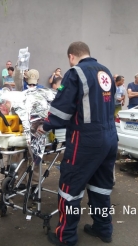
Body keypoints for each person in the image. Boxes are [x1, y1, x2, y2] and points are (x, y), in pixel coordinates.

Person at [37, 42, 117, 246]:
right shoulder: (105, 72)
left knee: (69, 186)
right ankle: (103, 228)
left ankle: (66, 236)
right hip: (109, 137)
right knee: (101, 186)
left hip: (86, 140)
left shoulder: (75, 73)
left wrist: (45, 125)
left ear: (71, 56)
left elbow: (62, 109)